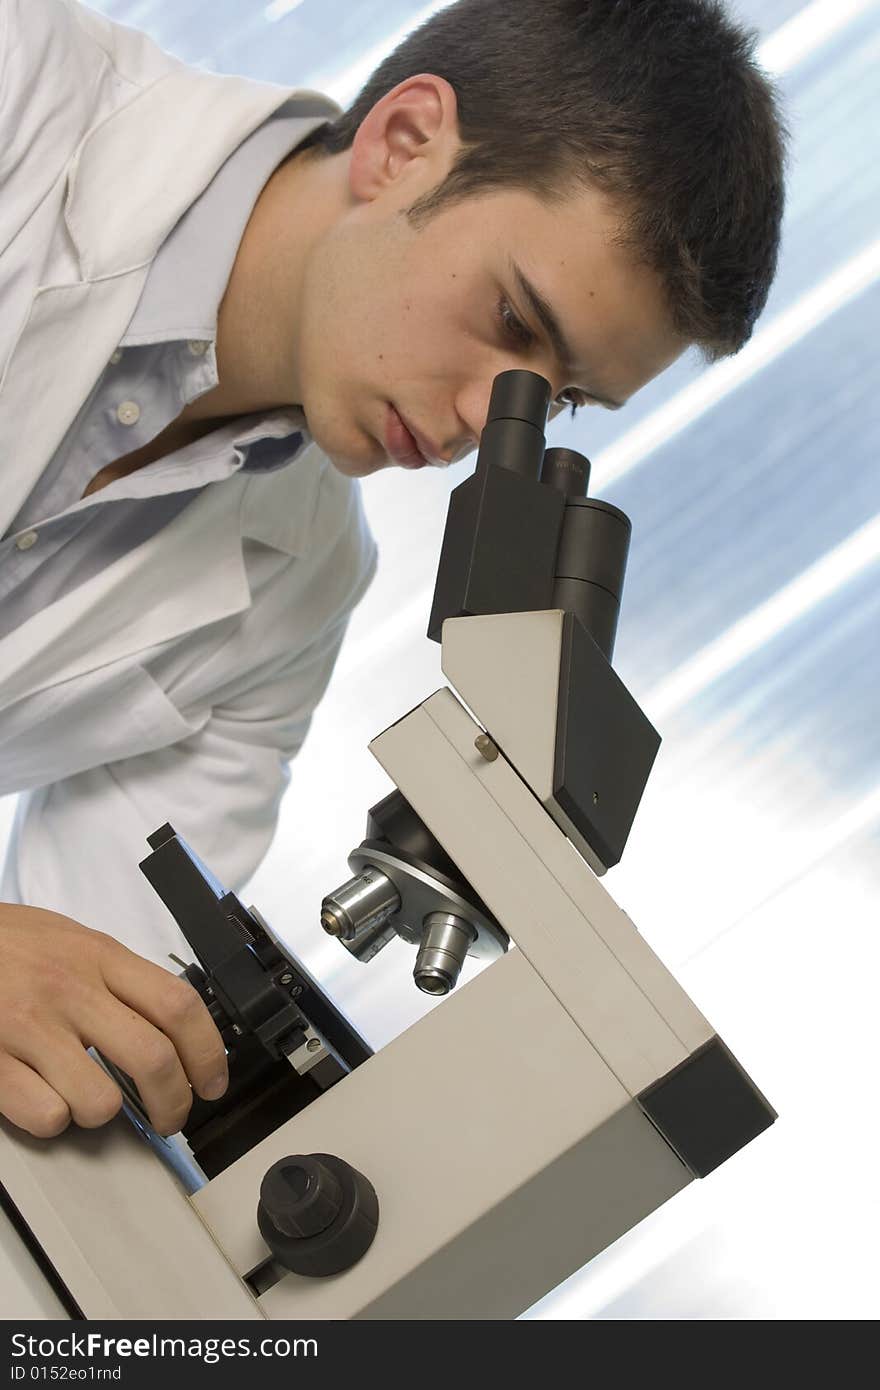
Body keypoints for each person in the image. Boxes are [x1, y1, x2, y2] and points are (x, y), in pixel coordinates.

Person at [0, 0, 786, 1140]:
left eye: (555, 400)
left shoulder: (298, 590)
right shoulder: (22, 92)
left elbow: (96, 998)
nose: (486, 415)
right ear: (403, 143)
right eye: (511, 316)